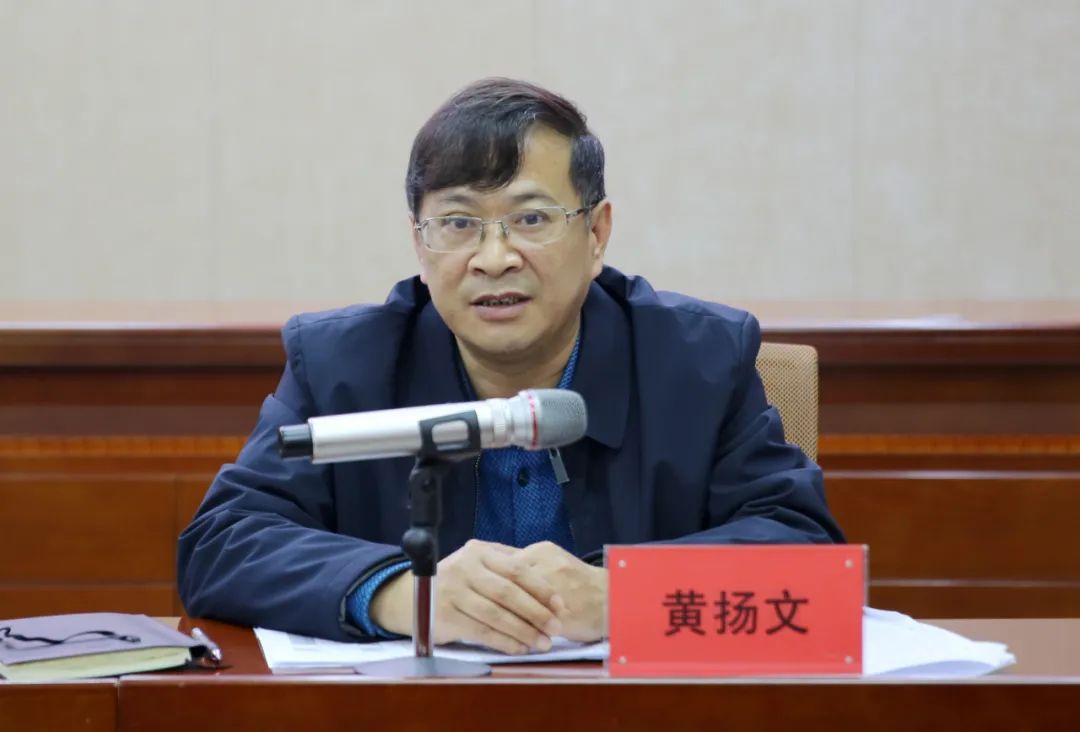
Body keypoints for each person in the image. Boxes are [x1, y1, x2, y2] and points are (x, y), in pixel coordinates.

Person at [177, 78, 844, 655]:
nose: (494, 258)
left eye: (530, 218)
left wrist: (624, 595)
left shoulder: (699, 360)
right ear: (419, 243)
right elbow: (223, 543)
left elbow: (805, 549)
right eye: (459, 223)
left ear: (597, 233)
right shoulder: (341, 365)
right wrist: (407, 594)